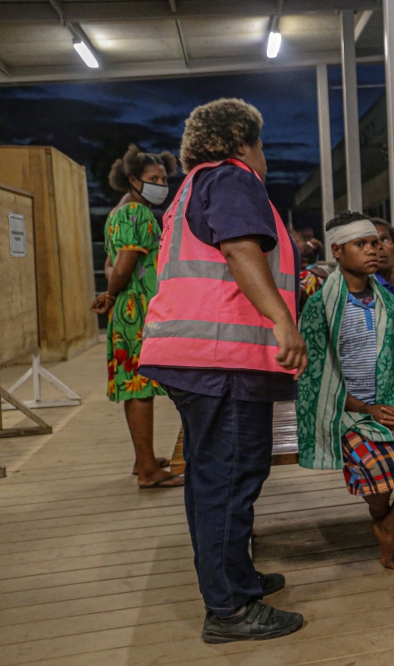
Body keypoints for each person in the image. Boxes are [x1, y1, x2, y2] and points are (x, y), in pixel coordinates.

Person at [138, 98, 306, 643]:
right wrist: (283, 321)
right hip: (220, 356)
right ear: (240, 142)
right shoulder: (233, 179)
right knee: (229, 478)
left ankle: (235, 578)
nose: (263, 154)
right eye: (259, 143)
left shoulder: (194, 184)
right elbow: (239, 251)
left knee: (217, 476)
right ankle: (230, 609)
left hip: (199, 355)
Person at [296, 213, 394, 572]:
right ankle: (388, 519)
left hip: (390, 404)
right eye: (360, 244)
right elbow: (317, 379)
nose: (372, 251)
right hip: (347, 410)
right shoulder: (320, 308)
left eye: (376, 243)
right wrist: (368, 409)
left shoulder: (389, 305)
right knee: (376, 469)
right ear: (337, 251)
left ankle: (389, 524)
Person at [90, 145, 183, 489]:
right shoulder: (137, 214)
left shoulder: (119, 212)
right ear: (133, 180)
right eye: (153, 179)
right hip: (136, 310)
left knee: (136, 387)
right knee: (139, 388)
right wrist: (112, 294)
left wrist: (110, 291)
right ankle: (148, 470)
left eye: (163, 178)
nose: (161, 184)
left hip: (129, 308)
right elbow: (126, 261)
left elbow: (110, 263)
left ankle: (142, 459)